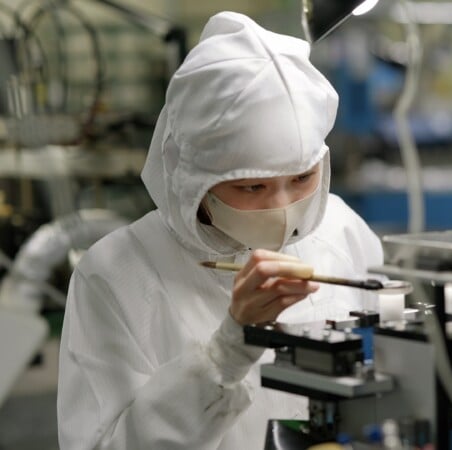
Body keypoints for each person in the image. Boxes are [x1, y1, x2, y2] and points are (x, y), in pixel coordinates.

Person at [57, 11, 383, 449]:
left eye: (302, 178)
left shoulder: (343, 231)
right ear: (193, 178)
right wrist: (228, 350)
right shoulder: (116, 276)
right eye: (253, 186)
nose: (284, 207)